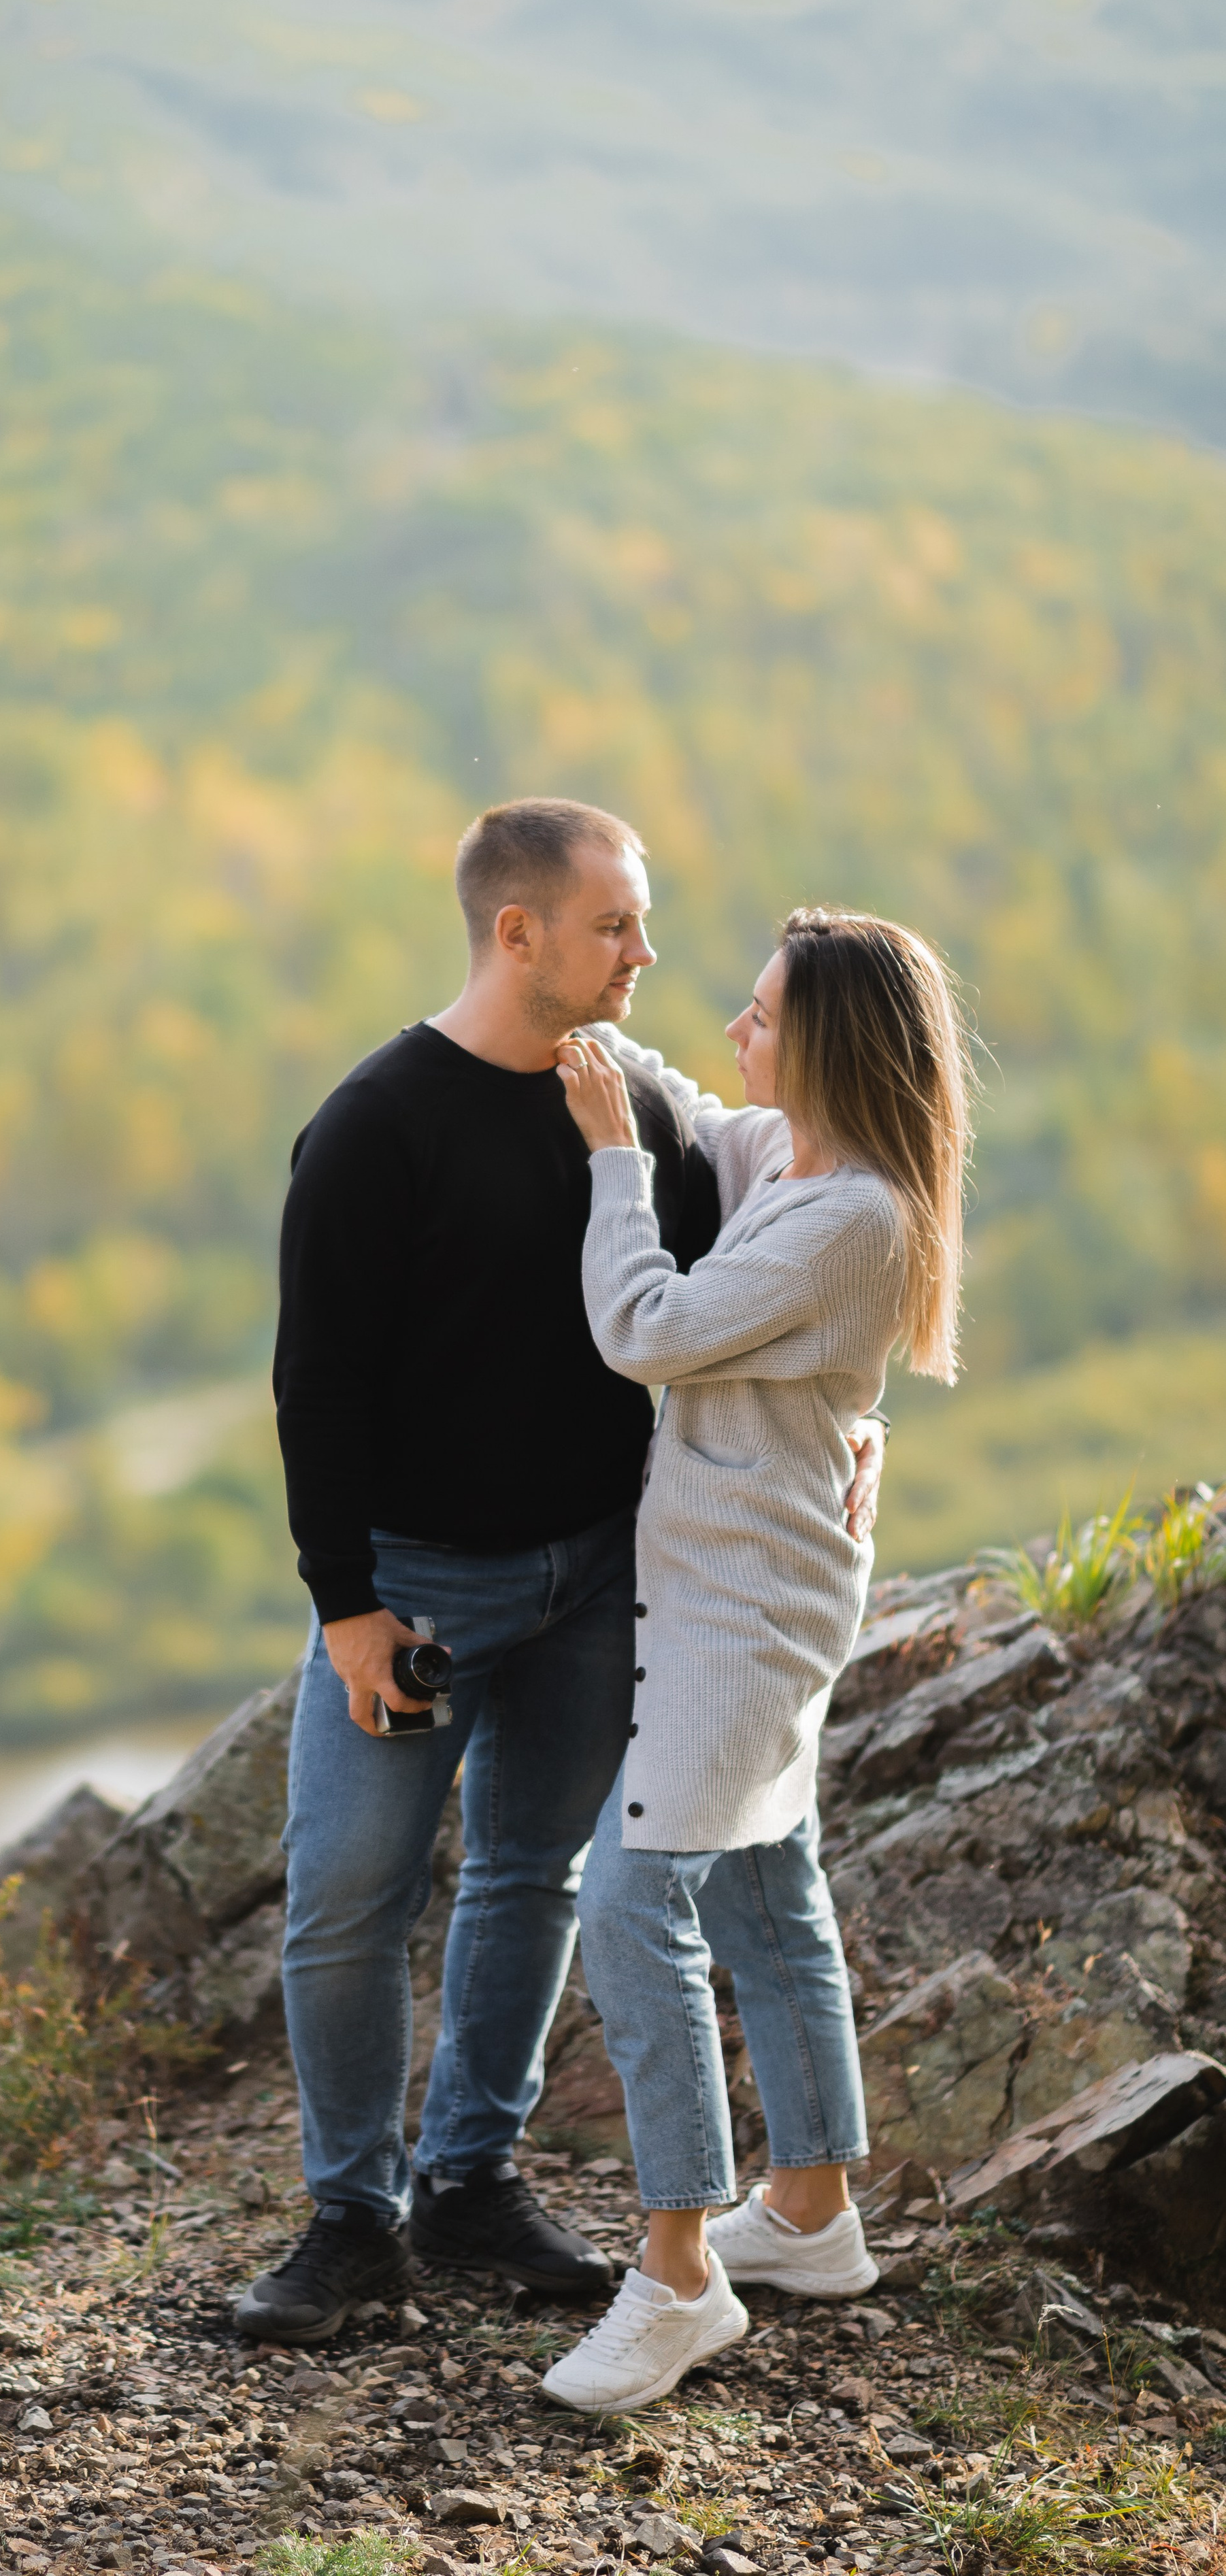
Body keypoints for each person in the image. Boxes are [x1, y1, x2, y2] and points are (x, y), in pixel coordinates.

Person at [235, 804, 887, 2345]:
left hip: (602, 1574)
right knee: (344, 1894)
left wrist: (851, 1430)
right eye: (614, 927)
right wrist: (346, 1604)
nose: (645, 954)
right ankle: (350, 2217)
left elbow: (791, 1275)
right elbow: (313, 1386)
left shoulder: (637, 1111)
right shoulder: (374, 1125)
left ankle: (470, 2180)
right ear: (513, 932)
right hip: (418, 1585)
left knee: (527, 1877)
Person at [537, 906, 971, 2413]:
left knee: (630, 1897)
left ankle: (673, 2278)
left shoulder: (852, 1222)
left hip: (741, 1616)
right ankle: (808, 2214)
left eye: (765, 1012)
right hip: (758, 1585)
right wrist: (595, 1032)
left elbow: (644, 1329)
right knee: (768, 1891)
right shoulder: (800, 1166)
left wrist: (606, 1155)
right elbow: (714, 1122)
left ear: (834, 1045)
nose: (736, 1027)